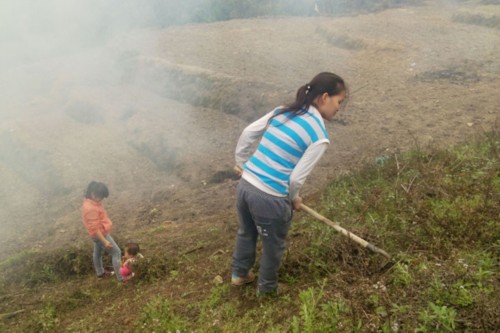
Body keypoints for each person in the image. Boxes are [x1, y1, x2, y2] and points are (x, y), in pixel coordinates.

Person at [231, 72, 347, 295]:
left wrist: (243, 164)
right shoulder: (319, 136)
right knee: (273, 245)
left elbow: (247, 133)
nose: (338, 108)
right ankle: (267, 290)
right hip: (271, 198)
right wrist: (293, 198)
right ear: (324, 97)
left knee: (246, 231)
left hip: (245, 187)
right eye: (338, 102)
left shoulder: (283, 112)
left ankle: (240, 274)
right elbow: (295, 179)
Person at [82, 181, 123, 281]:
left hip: (97, 234)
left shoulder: (91, 202)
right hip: (100, 234)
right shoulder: (90, 208)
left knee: (97, 253)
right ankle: (121, 277)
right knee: (116, 252)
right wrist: (104, 241)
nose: (102, 199)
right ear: (93, 194)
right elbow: (95, 228)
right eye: (101, 197)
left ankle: (100, 273)